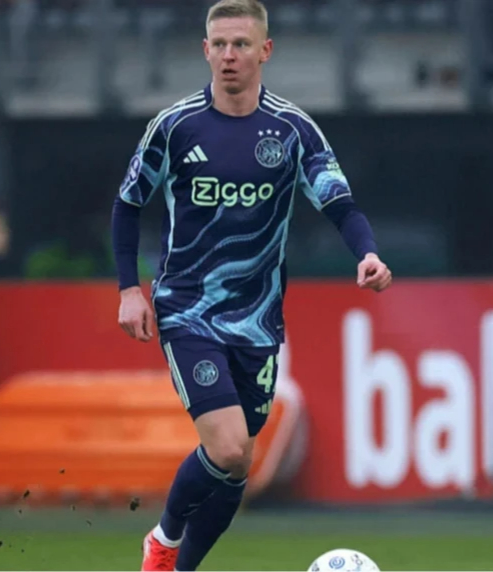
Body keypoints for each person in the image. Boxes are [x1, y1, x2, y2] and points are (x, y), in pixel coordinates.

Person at [110, 1, 392, 570]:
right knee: (227, 445)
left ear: (265, 51)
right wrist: (128, 290)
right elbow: (128, 203)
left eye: (240, 44)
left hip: (258, 319)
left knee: (238, 461)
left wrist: (367, 253)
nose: (228, 55)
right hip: (187, 309)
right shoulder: (175, 126)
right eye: (219, 44)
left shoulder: (293, 130)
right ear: (205, 50)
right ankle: (163, 541)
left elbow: (339, 203)